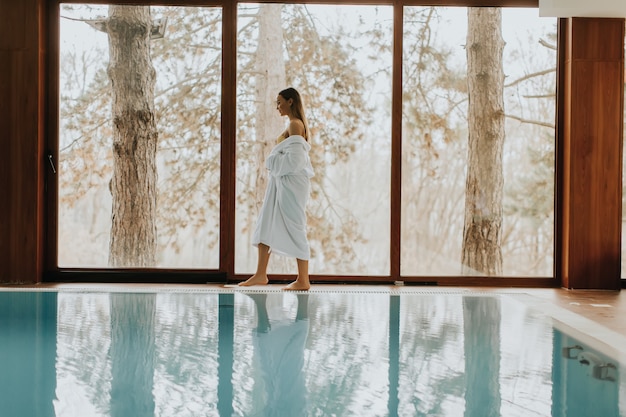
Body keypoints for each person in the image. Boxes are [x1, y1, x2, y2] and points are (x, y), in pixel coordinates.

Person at [239, 87, 314, 291]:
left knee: (295, 224)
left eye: (279, 102)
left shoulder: (295, 124)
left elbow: (295, 161)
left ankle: (303, 280)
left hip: (291, 184)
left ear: (290, 102)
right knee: (266, 222)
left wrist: (272, 161)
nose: (277, 106)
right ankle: (261, 274)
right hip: (282, 183)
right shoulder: (293, 125)